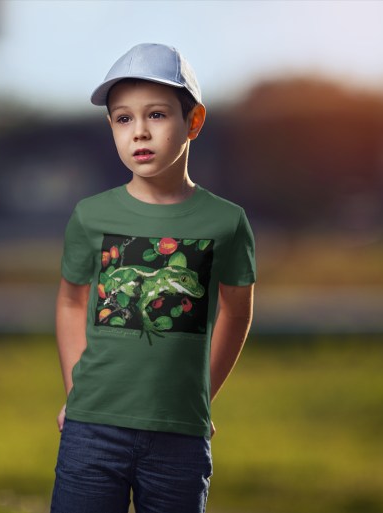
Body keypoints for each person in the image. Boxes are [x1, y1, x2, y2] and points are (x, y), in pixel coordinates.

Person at [50, 43, 256, 513]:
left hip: (179, 439)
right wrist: (75, 392)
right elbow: (71, 302)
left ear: (194, 122)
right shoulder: (90, 215)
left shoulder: (227, 222)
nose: (139, 132)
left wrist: (202, 398)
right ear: (111, 128)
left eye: (157, 115)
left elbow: (237, 311)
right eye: (123, 119)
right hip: (92, 431)